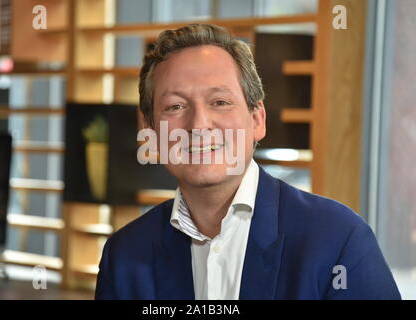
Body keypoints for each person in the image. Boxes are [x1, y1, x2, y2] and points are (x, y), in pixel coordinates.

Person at [95, 24, 401, 300]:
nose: (199, 126)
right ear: (150, 132)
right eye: (175, 106)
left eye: (220, 102)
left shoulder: (338, 239)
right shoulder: (123, 256)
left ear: (257, 120)